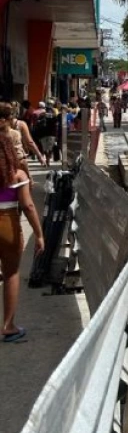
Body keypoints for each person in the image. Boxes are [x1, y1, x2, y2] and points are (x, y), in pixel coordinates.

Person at [0, 133, 45, 342]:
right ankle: (8, 326)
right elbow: (27, 206)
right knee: (11, 274)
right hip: (7, 223)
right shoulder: (17, 175)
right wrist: (39, 234)